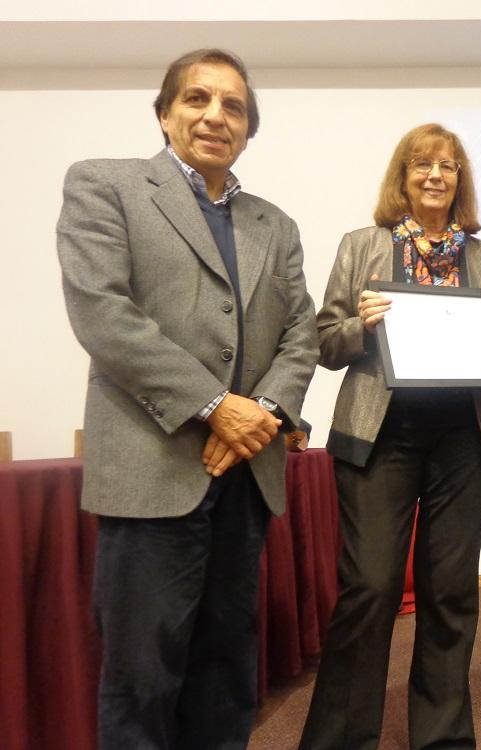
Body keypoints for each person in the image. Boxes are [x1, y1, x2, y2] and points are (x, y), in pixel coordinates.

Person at [56, 48, 318, 748]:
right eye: (197, 99)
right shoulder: (104, 186)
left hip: (246, 476)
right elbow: (103, 315)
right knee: (142, 675)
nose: (214, 115)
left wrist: (261, 414)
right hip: (151, 473)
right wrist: (215, 405)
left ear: (248, 128)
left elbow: (302, 332)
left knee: (227, 668)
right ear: (165, 113)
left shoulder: (275, 224)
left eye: (233, 106)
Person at [298, 123, 481, 750]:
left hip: (468, 441)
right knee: (370, 587)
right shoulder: (363, 247)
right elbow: (323, 342)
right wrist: (361, 323)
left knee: (450, 590)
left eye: (447, 166)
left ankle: (440, 738)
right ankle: (339, 739)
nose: (435, 175)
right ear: (402, 177)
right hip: (379, 436)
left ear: (459, 179)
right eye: (421, 165)